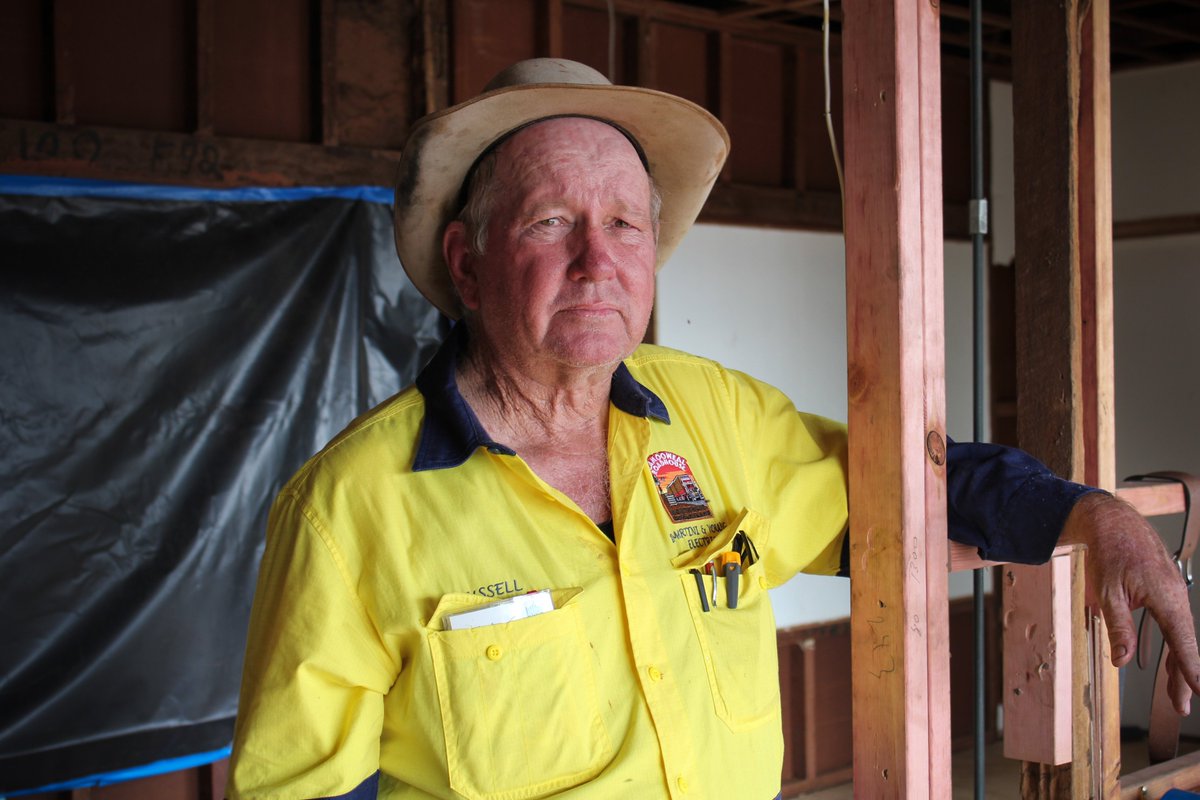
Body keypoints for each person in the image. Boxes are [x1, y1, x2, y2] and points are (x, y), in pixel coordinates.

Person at [226, 59, 1200, 800]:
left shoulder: (716, 416)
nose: (597, 260)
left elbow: (913, 487)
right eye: (550, 221)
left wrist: (1090, 514)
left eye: (625, 225)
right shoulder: (346, 510)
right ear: (467, 263)